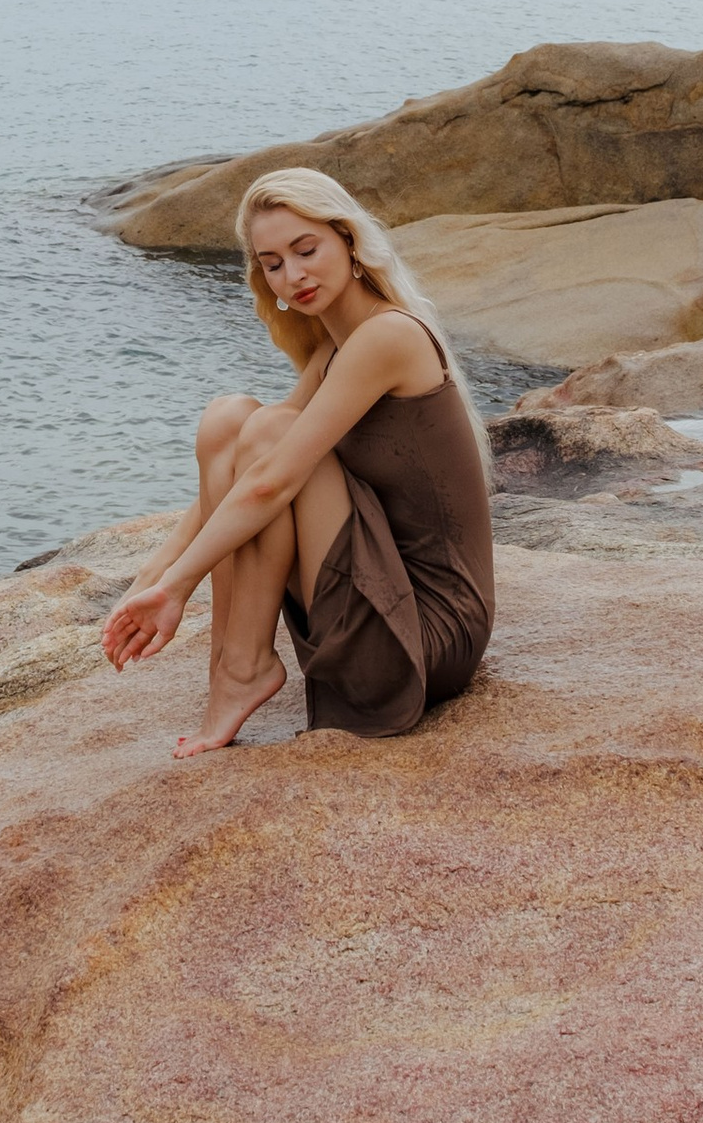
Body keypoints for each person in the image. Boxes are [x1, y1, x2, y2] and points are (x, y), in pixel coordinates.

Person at [101, 168, 495, 757]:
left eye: (306, 250)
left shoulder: (388, 336)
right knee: (228, 419)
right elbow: (240, 470)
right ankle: (227, 670)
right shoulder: (335, 348)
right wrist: (152, 576)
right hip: (375, 595)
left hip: (426, 637)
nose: (294, 275)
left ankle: (246, 667)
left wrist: (178, 587)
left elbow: (271, 479)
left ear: (351, 242)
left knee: (267, 434)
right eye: (273, 262)